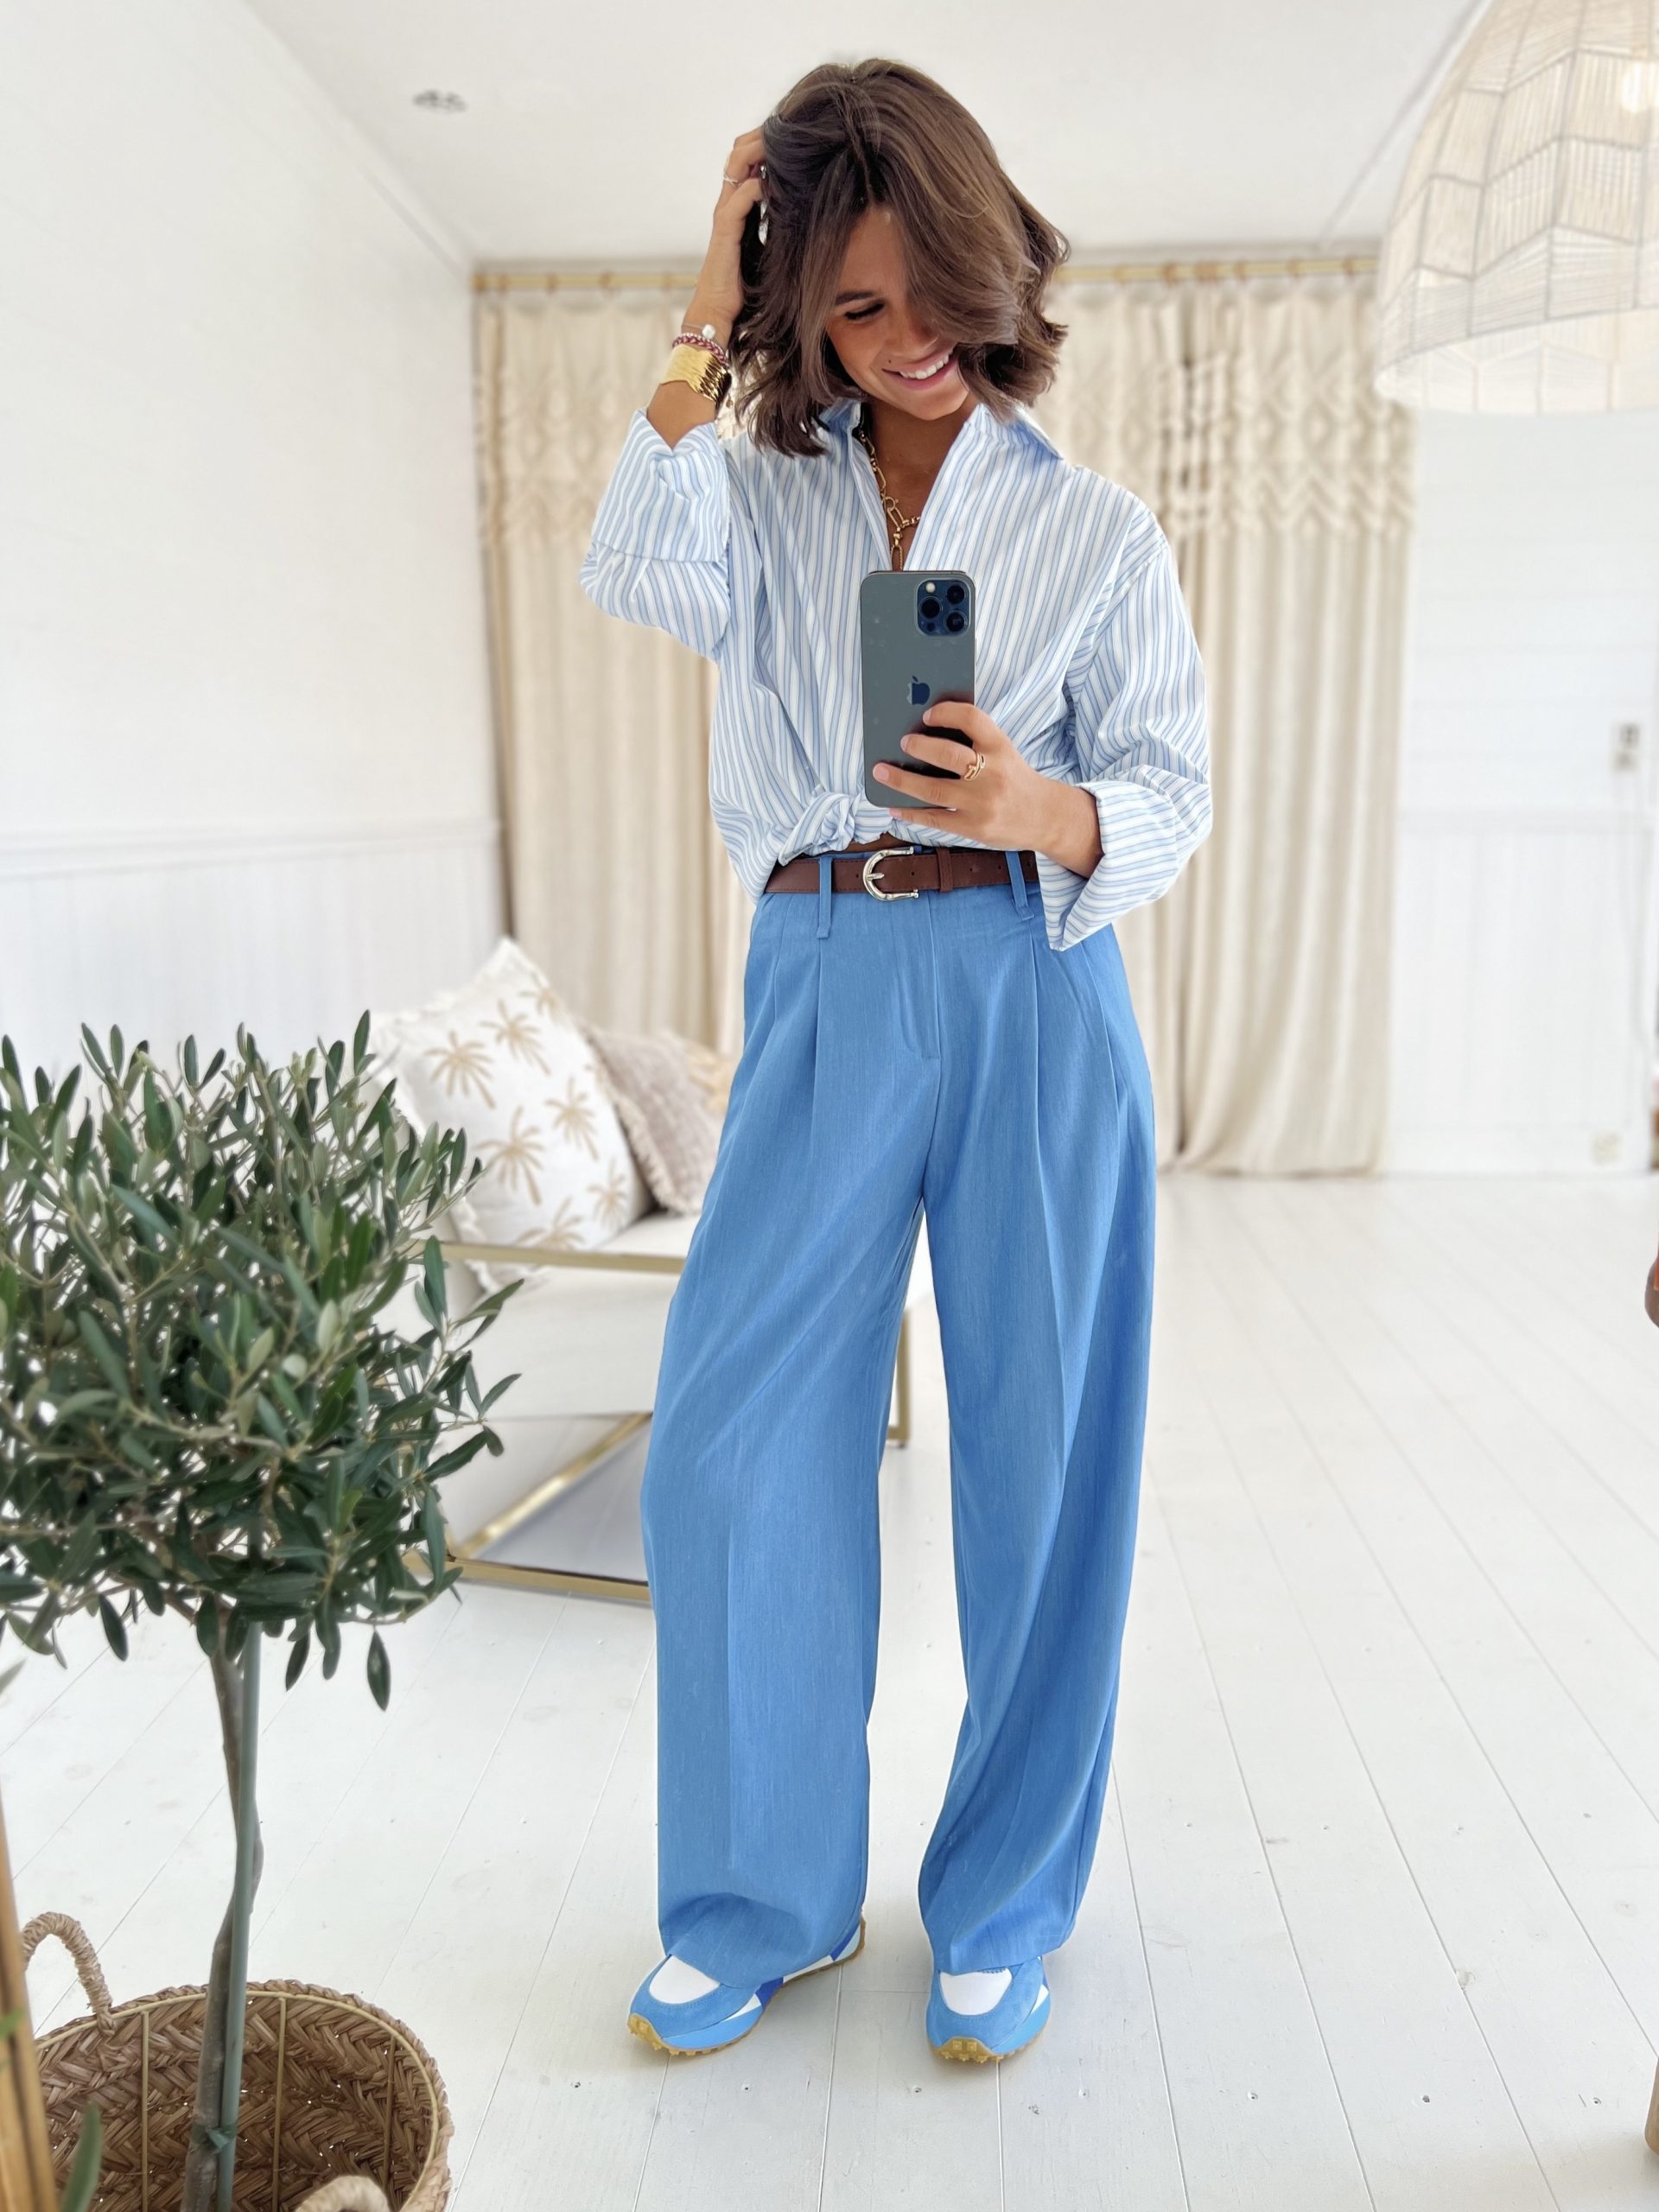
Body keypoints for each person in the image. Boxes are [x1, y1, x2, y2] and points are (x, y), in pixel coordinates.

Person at [578, 57, 1211, 2066]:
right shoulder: (758, 491)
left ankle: (1004, 1898)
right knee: (734, 1447)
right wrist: (708, 302)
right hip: (823, 957)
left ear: (991, 257)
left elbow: (1175, 789)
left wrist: (1043, 806)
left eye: (934, 284)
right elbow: (628, 563)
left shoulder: (1096, 528)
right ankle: (757, 1898)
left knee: (1046, 1456)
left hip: (1035, 976)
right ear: (801, 309)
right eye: (854, 305)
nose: (910, 335)